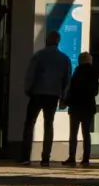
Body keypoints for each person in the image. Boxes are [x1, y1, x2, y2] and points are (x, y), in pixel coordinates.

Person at [19, 31, 72, 167]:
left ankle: (25, 156)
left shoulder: (39, 56)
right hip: (53, 95)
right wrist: (64, 97)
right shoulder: (64, 59)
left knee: (29, 123)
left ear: (47, 40)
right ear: (58, 41)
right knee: (49, 125)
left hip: (37, 93)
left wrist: (28, 89)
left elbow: (30, 73)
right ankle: (45, 158)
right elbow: (67, 80)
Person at [62, 52, 99, 167]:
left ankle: (72, 157)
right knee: (86, 133)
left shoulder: (77, 72)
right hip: (88, 107)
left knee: (73, 133)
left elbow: (72, 89)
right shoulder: (94, 72)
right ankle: (86, 158)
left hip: (76, 106)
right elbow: (96, 91)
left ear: (80, 60)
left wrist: (66, 101)